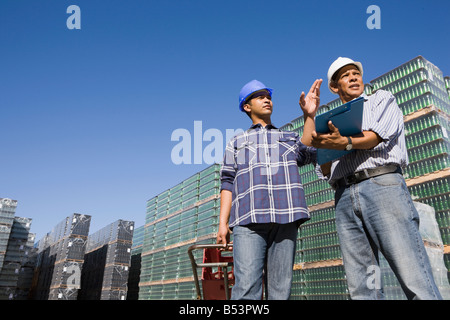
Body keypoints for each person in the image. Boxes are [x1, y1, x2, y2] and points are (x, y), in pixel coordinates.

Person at [311, 57, 442, 300]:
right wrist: (320, 132)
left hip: (382, 185)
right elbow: (325, 170)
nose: (353, 77)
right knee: (361, 285)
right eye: (345, 75)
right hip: (343, 196)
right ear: (334, 87)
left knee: (411, 271)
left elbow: (379, 136)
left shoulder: (381, 99)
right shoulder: (329, 123)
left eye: (355, 73)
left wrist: (346, 142)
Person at [217, 79, 322, 300]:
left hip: (286, 217)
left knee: (280, 291)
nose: (267, 100)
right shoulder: (237, 141)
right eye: (260, 96)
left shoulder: (288, 137)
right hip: (248, 220)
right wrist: (222, 224)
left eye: (269, 96)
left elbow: (306, 152)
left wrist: (309, 116)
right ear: (247, 107)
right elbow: (227, 182)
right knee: (246, 289)